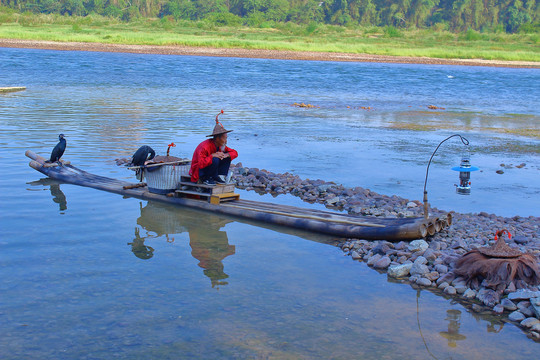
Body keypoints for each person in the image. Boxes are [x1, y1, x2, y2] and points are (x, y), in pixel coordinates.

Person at [189, 113, 238, 185]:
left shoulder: (221, 146)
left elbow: (234, 152)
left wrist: (226, 155)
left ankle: (217, 176)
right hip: (198, 170)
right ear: (218, 138)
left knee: (227, 156)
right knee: (215, 159)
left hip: (208, 168)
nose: (226, 141)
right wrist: (212, 155)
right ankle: (207, 178)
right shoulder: (204, 147)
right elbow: (201, 164)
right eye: (225, 138)